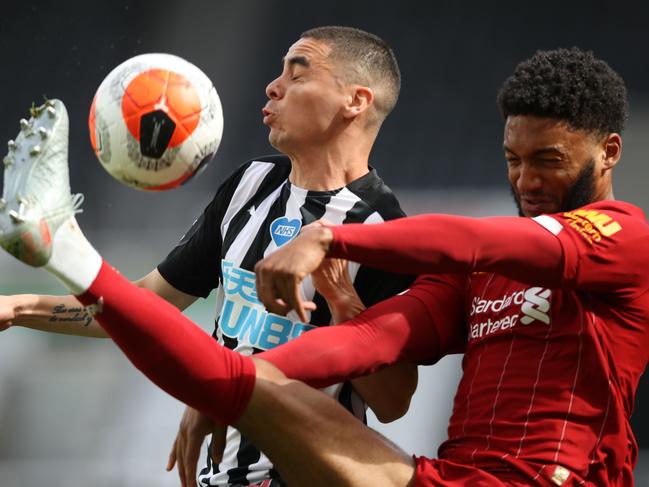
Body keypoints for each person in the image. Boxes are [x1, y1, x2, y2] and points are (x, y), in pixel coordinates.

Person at [2, 47, 645, 486]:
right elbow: (369, 340)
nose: (526, 180)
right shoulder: (250, 187)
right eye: (513, 159)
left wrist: (329, 238)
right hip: (441, 477)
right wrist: (233, 384)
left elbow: (471, 247)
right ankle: (63, 250)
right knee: (253, 381)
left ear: (608, 151)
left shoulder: (623, 237)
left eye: (549, 161)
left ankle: (67, 249)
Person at [0, 27, 416, 487]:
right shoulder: (250, 184)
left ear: (355, 101)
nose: (273, 87)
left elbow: (393, 402)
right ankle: (60, 245)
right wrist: (17, 308)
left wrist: (343, 302)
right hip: (218, 476)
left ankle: (62, 241)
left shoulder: (383, 228)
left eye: (297, 76)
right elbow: (143, 308)